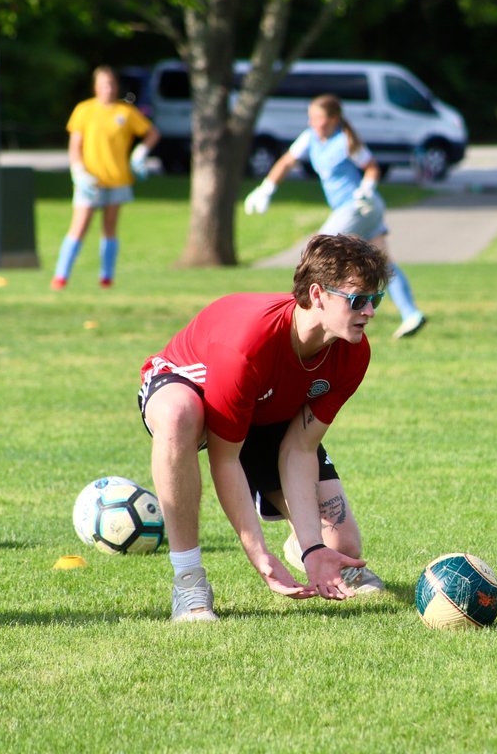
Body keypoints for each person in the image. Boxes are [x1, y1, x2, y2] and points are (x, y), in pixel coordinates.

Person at [137, 233, 391, 622]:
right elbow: (226, 461)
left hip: (266, 411)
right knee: (178, 416)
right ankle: (189, 583)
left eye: (376, 299)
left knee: (343, 545)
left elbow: (300, 449)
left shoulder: (353, 352)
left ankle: (302, 544)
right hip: (191, 389)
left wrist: (313, 548)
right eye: (358, 300)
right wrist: (259, 553)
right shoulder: (249, 345)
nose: (370, 311)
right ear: (318, 294)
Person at [243, 94, 427, 339]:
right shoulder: (310, 138)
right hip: (358, 209)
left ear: (333, 119)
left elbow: (372, 167)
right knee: (383, 263)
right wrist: (266, 189)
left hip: (359, 206)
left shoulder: (345, 141)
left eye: (317, 118)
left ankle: (298, 311)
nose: (312, 123)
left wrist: (366, 188)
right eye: (310, 117)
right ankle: (411, 314)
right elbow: (287, 162)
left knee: (319, 247)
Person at [52, 66, 160, 290]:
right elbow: (75, 145)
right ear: (95, 87)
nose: (108, 89)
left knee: (110, 228)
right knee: (79, 226)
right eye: (103, 84)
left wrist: (139, 154)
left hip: (117, 178)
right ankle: (61, 277)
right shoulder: (84, 110)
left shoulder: (125, 112)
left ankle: (106, 278)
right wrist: (78, 172)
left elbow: (151, 133)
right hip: (90, 180)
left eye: (111, 84)